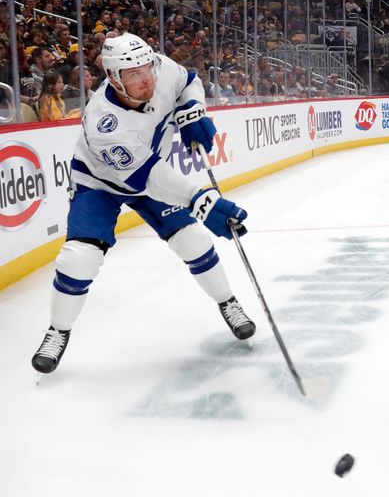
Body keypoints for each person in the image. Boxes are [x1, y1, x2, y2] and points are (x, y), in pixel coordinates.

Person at [31, 34, 256, 374]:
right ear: (113, 78)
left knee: (193, 240)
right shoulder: (103, 121)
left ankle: (228, 302)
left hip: (150, 173)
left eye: (146, 68)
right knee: (79, 259)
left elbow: (189, 82)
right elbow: (148, 179)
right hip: (99, 183)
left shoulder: (161, 68)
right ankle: (57, 330)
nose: (146, 78)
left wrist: (193, 110)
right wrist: (199, 198)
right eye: (133, 74)